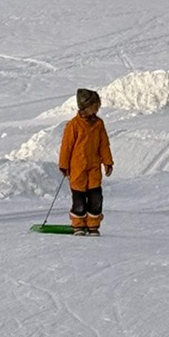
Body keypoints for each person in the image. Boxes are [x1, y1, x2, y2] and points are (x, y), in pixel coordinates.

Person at [59, 87, 113, 234]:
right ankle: (78, 225)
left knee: (96, 199)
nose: (97, 109)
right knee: (79, 201)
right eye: (94, 106)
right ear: (85, 107)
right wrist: (64, 165)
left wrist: (107, 161)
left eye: (98, 106)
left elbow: (104, 144)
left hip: (94, 168)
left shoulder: (99, 124)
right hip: (78, 169)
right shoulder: (73, 125)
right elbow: (66, 147)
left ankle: (93, 225)